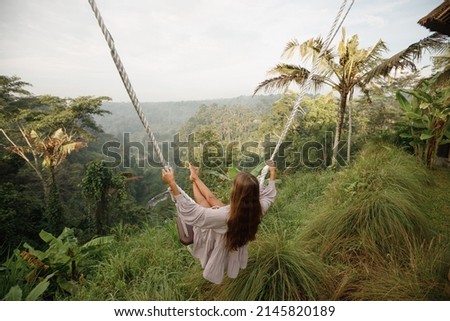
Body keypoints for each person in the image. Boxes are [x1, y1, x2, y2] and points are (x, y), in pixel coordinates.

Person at [161, 161, 277, 284]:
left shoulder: (224, 216)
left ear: (236, 193)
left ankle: (194, 178)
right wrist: (272, 172)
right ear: (256, 192)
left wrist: (172, 183)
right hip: (235, 230)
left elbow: (194, 212)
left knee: (204, 204)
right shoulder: (259, 208)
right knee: (211, 201)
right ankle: (194, 178)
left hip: (221, 237)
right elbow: (269, 195)